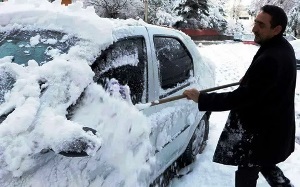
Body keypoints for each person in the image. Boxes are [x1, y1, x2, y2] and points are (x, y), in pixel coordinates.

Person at [183, 5, 296, 187]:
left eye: (261, 25)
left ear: (277, 29)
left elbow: (240, 98)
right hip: (272, 128)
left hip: (261, 132)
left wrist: (201, 98)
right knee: (265, 163)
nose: (253, 29)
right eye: (255, 22)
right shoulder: (281, 47)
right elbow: (267, 83)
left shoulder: (272, 57)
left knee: (247, 173)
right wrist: (252, 78)